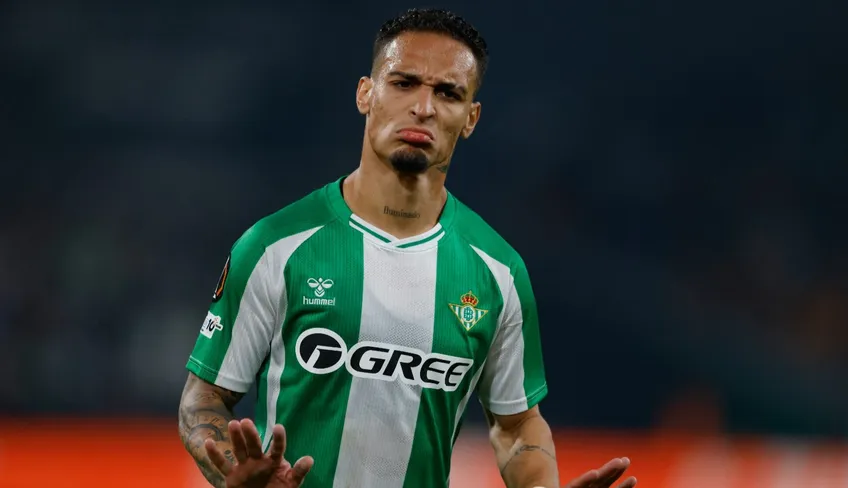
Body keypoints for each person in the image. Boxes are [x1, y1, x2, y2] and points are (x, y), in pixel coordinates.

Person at [178, 7, 637, 488]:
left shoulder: (499, 272)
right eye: (404, 83)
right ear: (365, 93)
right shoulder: (275, 246)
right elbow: (202, 398)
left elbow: (517, 425)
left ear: (471, 118)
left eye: (448, 93)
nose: (424, 107)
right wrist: (232, 469)